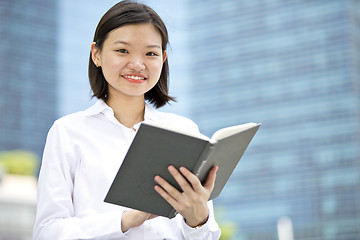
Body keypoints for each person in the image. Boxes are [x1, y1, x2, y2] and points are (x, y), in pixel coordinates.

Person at [33, 1, 221, 239]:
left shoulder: (184, 130)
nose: (137, 64)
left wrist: (198, 218)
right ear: (97, 54)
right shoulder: (68, 132)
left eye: (150, 53)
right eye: (123, 50)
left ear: (162, 60)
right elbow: (47, 232)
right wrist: (125, 220)